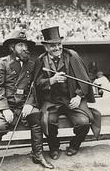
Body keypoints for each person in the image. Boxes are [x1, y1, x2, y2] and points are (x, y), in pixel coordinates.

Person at [0, 30, 54, 171]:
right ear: (12, 47)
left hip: (23, 105)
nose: (25, 48)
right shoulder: (2, 63)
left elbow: (34, 86)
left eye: (26, 45)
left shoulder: (31, 64)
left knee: (37, 116)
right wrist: (4, 109)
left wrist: (30, 103)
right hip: (4, 105)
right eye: (21, 45)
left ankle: (37, 154)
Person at [33, 26, 101, 160]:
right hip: (52, 101)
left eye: (59, 44)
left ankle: (74, 145)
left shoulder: (72, 56)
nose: (57, 48)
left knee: (84, 122)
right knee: (48, 122)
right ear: (46, 47)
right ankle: (54, 147)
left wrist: (78, 96)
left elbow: (84, 79)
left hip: (72, 99)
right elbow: (37, 84)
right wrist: (51, 80)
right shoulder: (41, 60)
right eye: (53, 46)